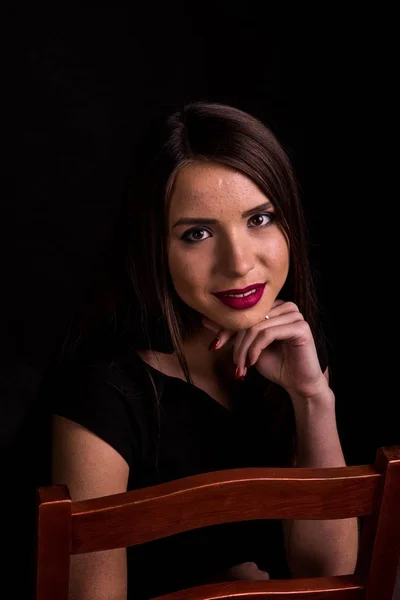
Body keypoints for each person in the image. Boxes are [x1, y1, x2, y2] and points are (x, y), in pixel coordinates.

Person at [44, 102, 358, 600]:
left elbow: (333, 574)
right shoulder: (102, 396)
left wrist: (313, 398)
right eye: (198, 233)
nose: (238, 264)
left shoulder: (294, 350)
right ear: (154, 249)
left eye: (259, 218)